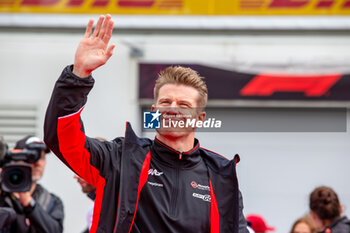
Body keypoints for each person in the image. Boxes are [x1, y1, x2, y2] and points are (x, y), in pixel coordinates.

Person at [44, 14, 249, 233]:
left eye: (183, 104)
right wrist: (79, 75)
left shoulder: (221, 175)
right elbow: (62, 138)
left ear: (200, 118)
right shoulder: (120, 158)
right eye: (165, 102)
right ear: (154, 112)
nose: (173, 108)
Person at [1, 136, 64, 233]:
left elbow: (55, 230)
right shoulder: (3, 193)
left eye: (42, 158)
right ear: (17, 159)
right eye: (31, 158)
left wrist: (30, 204)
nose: (37, 163)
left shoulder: (51, 201)